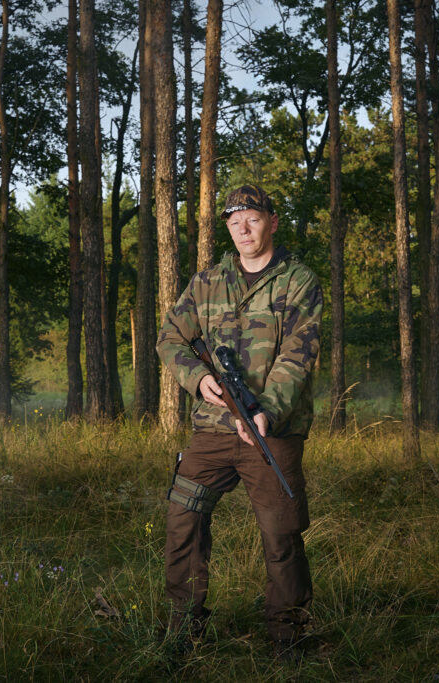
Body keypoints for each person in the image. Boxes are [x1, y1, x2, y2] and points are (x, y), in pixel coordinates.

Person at [156, 184, 323, 658]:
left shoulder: (298, 281)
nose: (244, 230)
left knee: (281, 532)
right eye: (234, 223)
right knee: (182, 518)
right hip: (211, 430)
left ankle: (288, 634)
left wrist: (267, 410)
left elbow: (299, 354)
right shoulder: (207, 282)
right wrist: (197, 380)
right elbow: (170, 337)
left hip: (273, 430)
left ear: (271, 221)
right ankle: (183, 630)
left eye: (252, 219)